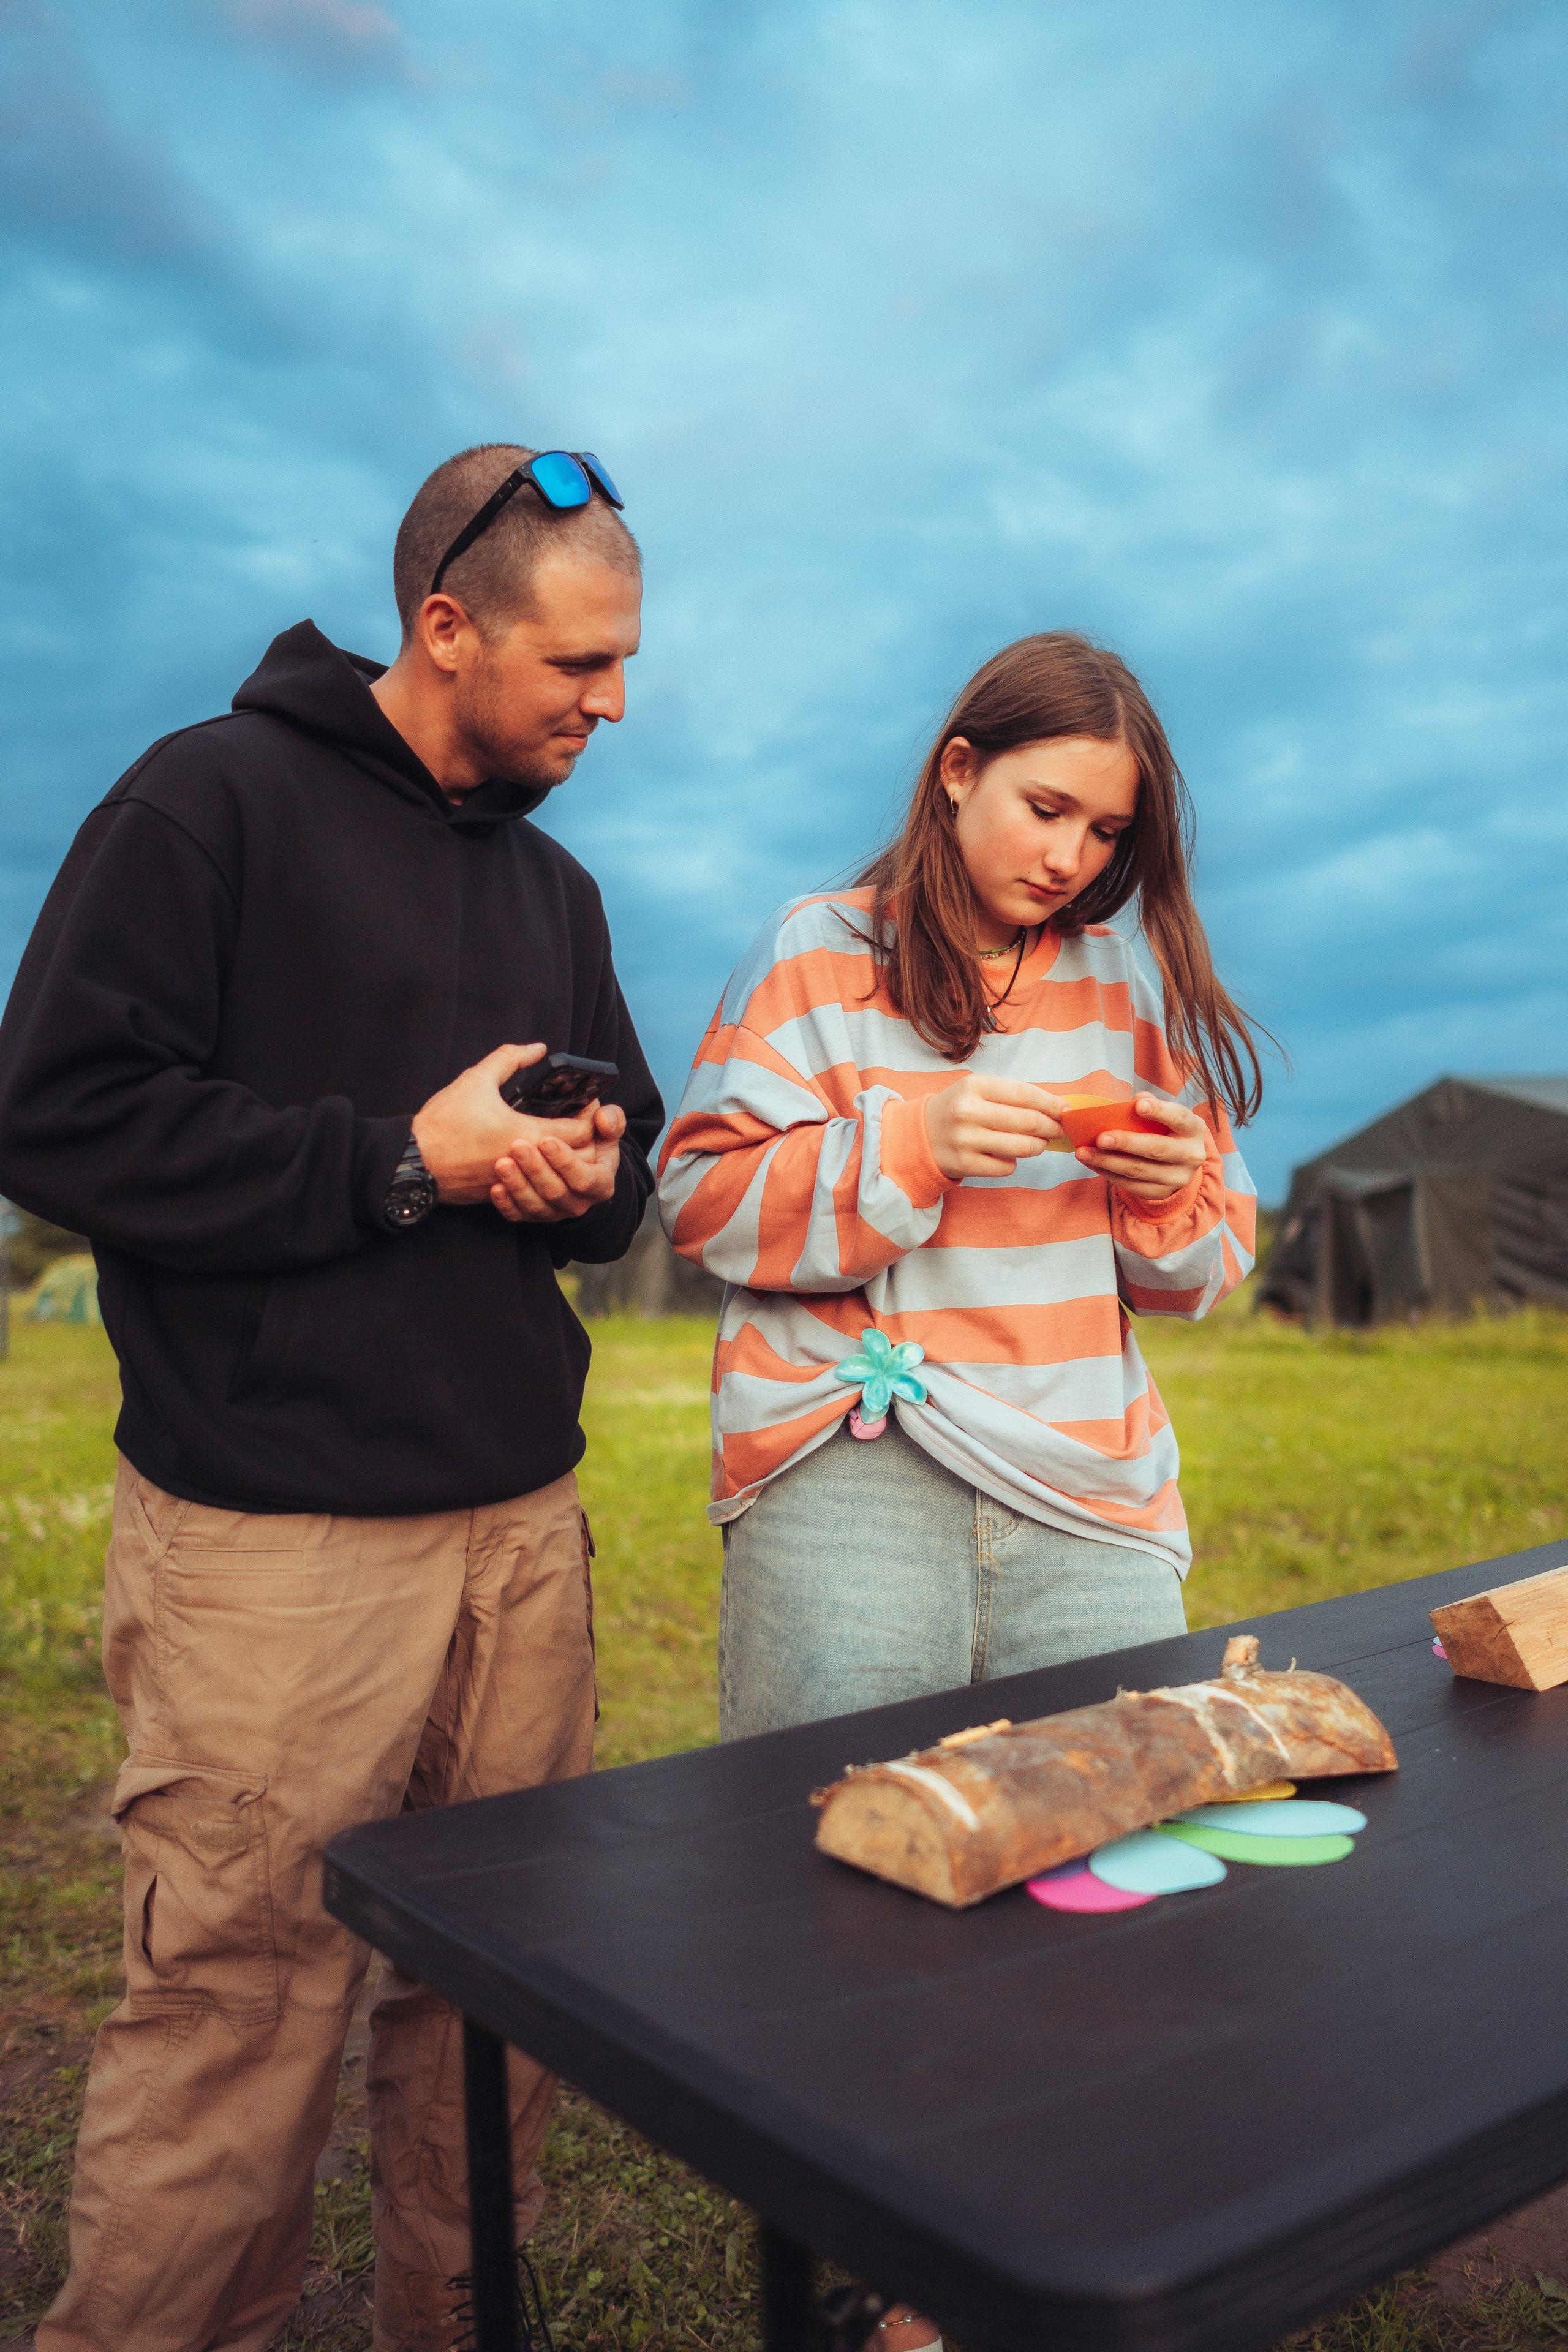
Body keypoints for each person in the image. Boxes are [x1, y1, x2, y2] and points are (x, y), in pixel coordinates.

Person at [0, 443, 663, 2352]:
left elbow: (620, 1171)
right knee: (243, 2015)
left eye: (624, 668)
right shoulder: (205, 804)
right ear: (445, 631)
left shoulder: (558, 884)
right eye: (578, 668)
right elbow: (60, 1117)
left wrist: (574, 1167)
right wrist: (401, 1162)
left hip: (519, 1544)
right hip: (269, 1549)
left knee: (499, 2006)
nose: (611, 706)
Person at [657, 630, 1259, 2348]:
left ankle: (1043, 2237)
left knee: (1119, 1862)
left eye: (1104, 836)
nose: (1067, 858)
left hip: (1084, 1490)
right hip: (855, 1469)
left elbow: (1205, 1267)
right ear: (955, 770)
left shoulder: (1127, 984)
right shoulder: (813, 953)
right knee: (851, 1881)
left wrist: (1160, 1200)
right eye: (1043, 807)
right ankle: (868, 2269)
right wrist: (910, 1141)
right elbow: (701, 1209)